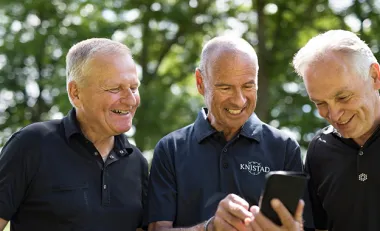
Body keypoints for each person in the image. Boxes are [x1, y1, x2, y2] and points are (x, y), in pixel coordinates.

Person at [146, 36, 310, 231]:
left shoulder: (284, 147)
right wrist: (209, 228)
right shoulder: (170, 149)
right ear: (200, 83)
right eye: (225, 88)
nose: (239, 101)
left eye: (248, 86)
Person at [0, 38, 148, 231]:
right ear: (75, 92)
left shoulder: (137, 162)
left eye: (134, 88)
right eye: (115, 88)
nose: (130, 100)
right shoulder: (32, 144)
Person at [292, 29, 380, 231]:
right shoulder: (319, 150)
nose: (334, 114)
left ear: (375, 76)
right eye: (320, 103)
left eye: (343, 97)